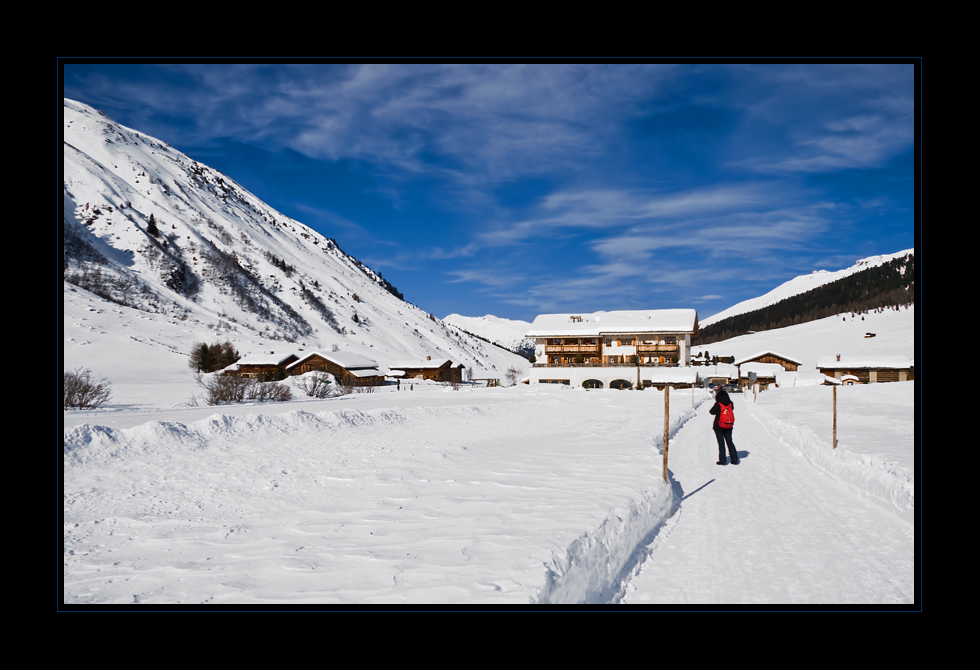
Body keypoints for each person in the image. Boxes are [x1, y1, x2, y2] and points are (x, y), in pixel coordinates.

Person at [710, 386, 740, 465]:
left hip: (719, 426)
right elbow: (731, 409)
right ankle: (734, 459)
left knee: (721, 444)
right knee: (730, 442)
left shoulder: (718, 404)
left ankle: (722, 461)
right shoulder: (730, 403)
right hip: (729, 426)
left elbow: (711, 412)